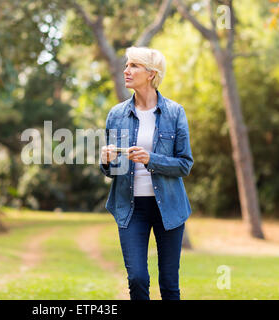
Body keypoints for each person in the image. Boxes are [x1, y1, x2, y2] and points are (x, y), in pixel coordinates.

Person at [100, 46, 194, 300]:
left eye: (133, 66)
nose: (126, 70)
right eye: (127, 65)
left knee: (169, 284)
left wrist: (151, 159)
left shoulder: (175, 112)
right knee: (137, 279)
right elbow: (112, 171)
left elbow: (184, 164)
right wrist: (107, 161)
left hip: (169, 208)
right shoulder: (116, 115)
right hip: (131, 207)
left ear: (151, 73)